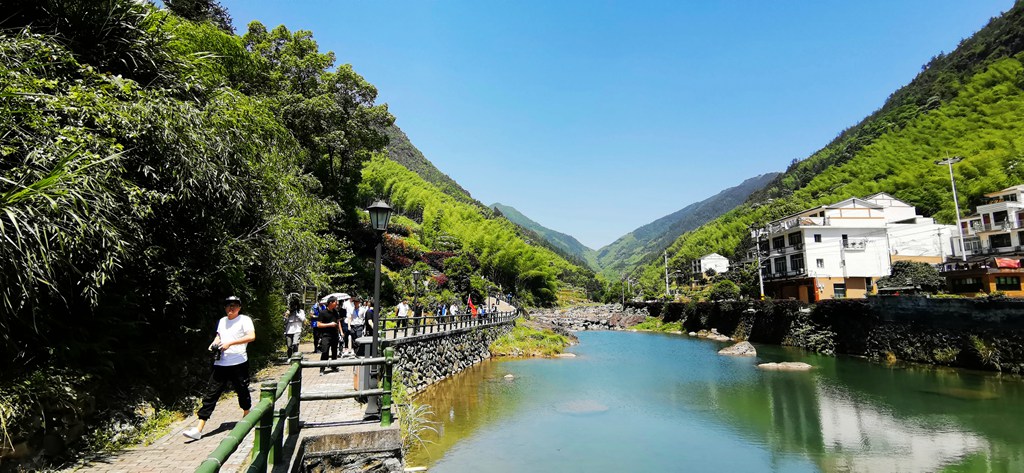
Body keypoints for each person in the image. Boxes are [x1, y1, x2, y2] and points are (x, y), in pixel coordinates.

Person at [182, 296, 256, 441]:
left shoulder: (244, 320)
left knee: (242, 390)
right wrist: (213, 344)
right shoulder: (222, 321)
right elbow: (219, 336)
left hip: (238, 361)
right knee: (211, 394)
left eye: (234, 305)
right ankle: (198, 429)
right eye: (228, 305)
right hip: (221, 362)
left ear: (239, 307)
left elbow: (251, 336)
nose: (231, 308)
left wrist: (231, 343)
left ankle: (247, 416)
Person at [316, 296, 343, 375]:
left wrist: (341, 332)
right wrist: (329, 324)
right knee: (325, 351)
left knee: (335, 351)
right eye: (335, 302)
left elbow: (338, 322)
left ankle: (333, 366)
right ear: (331, 303)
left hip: (335, 335)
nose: (337, 304)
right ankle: (322, 368)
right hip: (326, 335)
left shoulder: (335, 312)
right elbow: (318, 324)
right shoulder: (323, 313)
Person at [283, 294, 305, 359]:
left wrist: (297, 314)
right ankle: (289, 357)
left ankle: (295, 357)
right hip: (289, 331)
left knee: (295, 344)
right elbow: (284, 321)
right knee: (289, 346)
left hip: (297, 330)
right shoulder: (288, 312)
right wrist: (287, 315)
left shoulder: (301, 312)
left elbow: (303, 319)